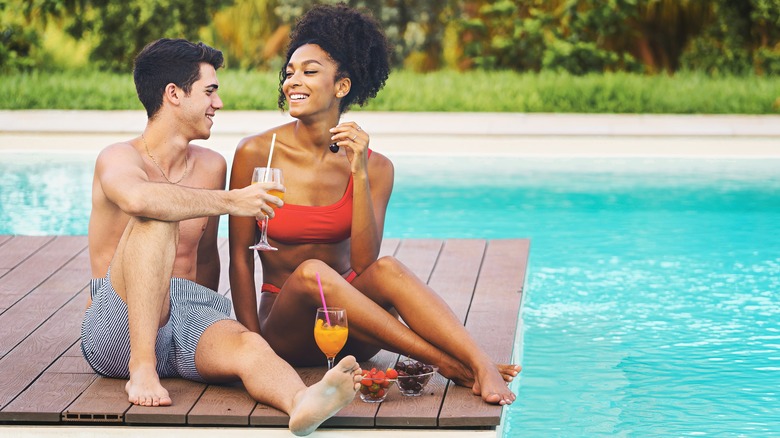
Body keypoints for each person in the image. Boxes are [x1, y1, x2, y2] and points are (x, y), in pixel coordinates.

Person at [228, 4, 520, 406]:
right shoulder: (256, 152)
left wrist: (358, 172)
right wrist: (252, 345)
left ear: (342, 86)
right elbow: (240, 258)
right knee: (314, 271)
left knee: (388, 269)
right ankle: (446, 363)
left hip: (353, 331)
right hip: (286, 328)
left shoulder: (377, 166)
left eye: (309, 71)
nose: (293, 81)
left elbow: (365, 264)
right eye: (290, 72)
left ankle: (478, 361)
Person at [81, 38, 362, 436]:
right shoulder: (119, 157)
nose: (219, 103)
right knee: (158, 214)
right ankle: (142, 367)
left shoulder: (212, 166)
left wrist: (224, 328)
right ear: (174, 94)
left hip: (188, 315)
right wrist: (233, 200)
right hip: (117, 325)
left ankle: (301, 402)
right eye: (210, 92)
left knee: (248, 345)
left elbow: (208, 259)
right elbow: (139, 198)